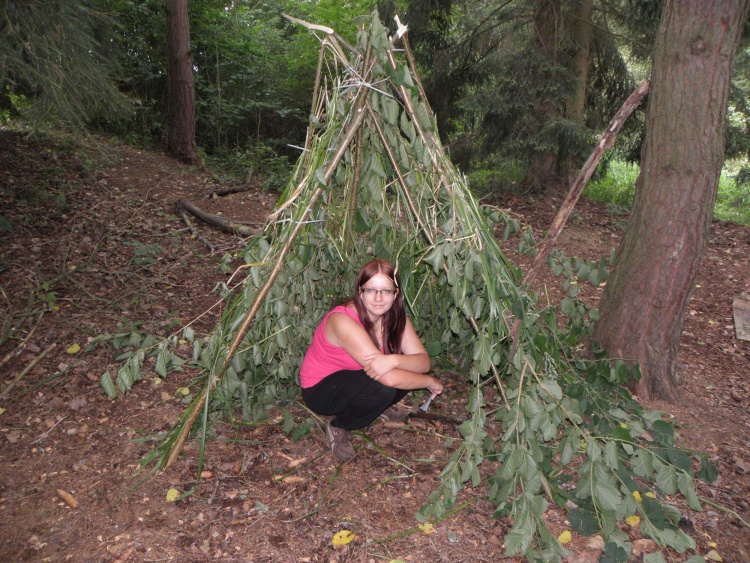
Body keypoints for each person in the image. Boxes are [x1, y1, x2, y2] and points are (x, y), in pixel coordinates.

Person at [300, 258, 444, 462]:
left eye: (386, 291)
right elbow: (389, 378)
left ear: (395, 294)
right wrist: (430, 381)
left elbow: (423, 362)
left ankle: (376, 407)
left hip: (358, 377)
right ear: (360, 292)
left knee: (401, 370)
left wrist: (394, 360)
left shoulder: (397, 320)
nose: (378, 298)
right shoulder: (343, 321)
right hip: (323, 390)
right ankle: (339, 424)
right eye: (371, 290)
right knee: (385, 386)